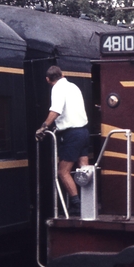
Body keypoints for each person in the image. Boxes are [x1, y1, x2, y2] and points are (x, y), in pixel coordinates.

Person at [35, 65, 89, 216]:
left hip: (72, 134)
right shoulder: (74, 87)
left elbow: (56, 111)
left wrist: (43, 127)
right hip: (84, 131)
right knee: (84, 170)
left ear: (48, 79)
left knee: (63, 172)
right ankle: (88, 202)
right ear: (62, 74)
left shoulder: (57, 88)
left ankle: (76, 204)